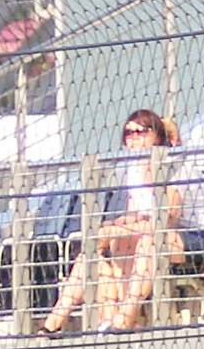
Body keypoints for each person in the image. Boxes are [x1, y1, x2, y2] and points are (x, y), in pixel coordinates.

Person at [46, 110, 179, 334]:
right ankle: (53, 325)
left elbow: (168, 218)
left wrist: (117, 228)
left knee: (143, 240)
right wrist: (111, 228)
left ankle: (124, 319)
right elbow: (135, 214)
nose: (133, 137)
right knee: (97, 253)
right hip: (150, 232)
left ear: (157, 136)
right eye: (128, 133)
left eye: (141, 131)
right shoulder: (132, 169)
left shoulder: (172, 165)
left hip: (193, 234)